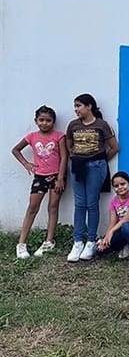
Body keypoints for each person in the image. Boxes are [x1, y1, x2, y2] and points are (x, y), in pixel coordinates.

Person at [66, 94, 119, 263]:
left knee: (92, 203)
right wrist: (77, 157)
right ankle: (77, 241)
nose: (76, 109)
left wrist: (99, 160)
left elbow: (114, 147)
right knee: (79, 204)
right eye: (75, 106)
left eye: (79, 106)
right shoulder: (73, 125)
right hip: (77, 167)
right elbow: (69, 145)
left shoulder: (102, 125)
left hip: (96, 166)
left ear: (89, 107)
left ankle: (90, 241)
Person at [12, 105, 68, 259]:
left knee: (53, 207)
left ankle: (49, 241)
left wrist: (61, 178)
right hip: (40, 176)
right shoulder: (31, 137)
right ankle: (21, 243)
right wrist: (26, 164)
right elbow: (16, 150)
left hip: (57, 176)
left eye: (48, 120)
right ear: (36, 121)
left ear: (53, 122)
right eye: (41, 120)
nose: (44, 123)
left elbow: (64, 157)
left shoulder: (59, 136)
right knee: (32, 208)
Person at [96, 171, 129, 270]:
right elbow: (112, 222)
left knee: (126, 225)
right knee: (99, 250)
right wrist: (106, 238)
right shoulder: (113, 201)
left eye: (123, 184)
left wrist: (112, 231)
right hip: (120, 230)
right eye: (116, 186)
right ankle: (125, 245)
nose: (120, 187)